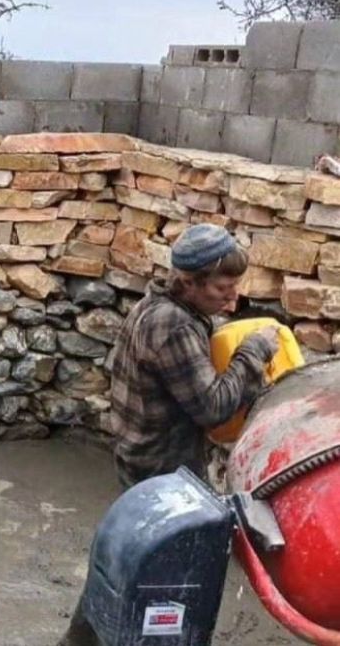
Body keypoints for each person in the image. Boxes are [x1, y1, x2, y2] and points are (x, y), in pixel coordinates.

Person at [57, 223, 280, 646]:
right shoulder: (173, 326)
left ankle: (80, 639)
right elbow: (212, 408)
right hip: (161, 465)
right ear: (188, 281)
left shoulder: (160, 306)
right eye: (222, 288)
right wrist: (253, 352)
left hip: (139, 451)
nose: (232, 297)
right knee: (167, 577)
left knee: (127, 557)